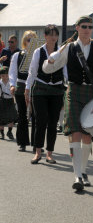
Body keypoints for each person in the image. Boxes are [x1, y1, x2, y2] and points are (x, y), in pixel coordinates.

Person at [42, 15, 93, 191]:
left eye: (90, 27)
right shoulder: (68, 48)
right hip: (74, 91)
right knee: (75, 132)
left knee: (87, 134)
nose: (87, 29)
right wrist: (50, 59)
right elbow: (48, 69)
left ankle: (83, 170)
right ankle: (77, 175)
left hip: (92, 93)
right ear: (77, 28)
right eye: (84, 26)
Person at [25, 25, 66, 164]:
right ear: (45, 36)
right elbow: (32, 72)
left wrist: (67, 88)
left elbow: (65, 71)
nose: (53, 37)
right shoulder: (38, 51)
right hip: (40, 89)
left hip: (57, 90)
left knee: (53, 122)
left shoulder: (61, 51)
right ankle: (37, 152)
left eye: (56, 35)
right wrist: (27, 89)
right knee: (40, 121)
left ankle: (50, 153)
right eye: (51, 34)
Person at [9, 31, 37, 152]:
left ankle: (37, 143)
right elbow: (12, 72)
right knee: (22, 116)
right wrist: (12, 85)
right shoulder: (17, 55)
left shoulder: (38, 55)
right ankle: (22, 142)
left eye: (33, 40)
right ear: (24, 41)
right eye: (28, 40)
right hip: (21, 86)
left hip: (36, 87)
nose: (30, 42)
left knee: (36, 116)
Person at [0, 66, 17, 140]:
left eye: (6, 75)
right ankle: (2, 132)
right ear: (0, 76)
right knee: (1, 119)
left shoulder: (12, 82)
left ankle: (9, 132)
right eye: (3, 75)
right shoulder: (0, 83)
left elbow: (15, 91)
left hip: (10, 101)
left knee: (11, 118)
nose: (5, 77)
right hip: (2, 101)